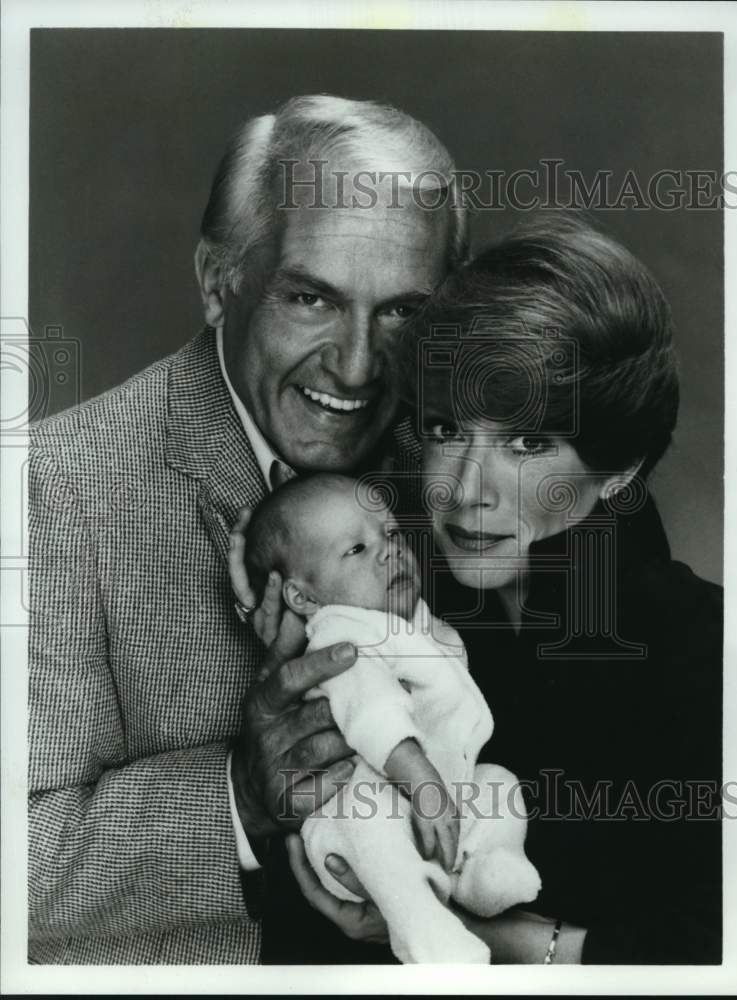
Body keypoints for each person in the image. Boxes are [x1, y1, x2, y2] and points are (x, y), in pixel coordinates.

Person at [28, 94, 466, 964]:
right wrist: (238, 794)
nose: (355, 365)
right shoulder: (52, 491)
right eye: (310, 298)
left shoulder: (457, 455)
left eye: (400, 312)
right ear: (217, 280)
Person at [244, 216, 722, 964]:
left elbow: (723, 946)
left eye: (528, 443)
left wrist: (494, 939)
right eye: (445, 430)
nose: (467, 492)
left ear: (619, 467)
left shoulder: (700, 648)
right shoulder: (380, 592)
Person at [243, 472, 540, 963]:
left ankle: (487, 867)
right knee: (376, 824)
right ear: (304, 599)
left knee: (499, 783)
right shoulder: (341, 634)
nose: (389, 551)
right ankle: (424, 933)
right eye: (356, 549)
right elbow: (372, 712)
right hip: (358, 811)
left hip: (439, 789)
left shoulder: (407, 620)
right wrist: (421, 781)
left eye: (393, 534)